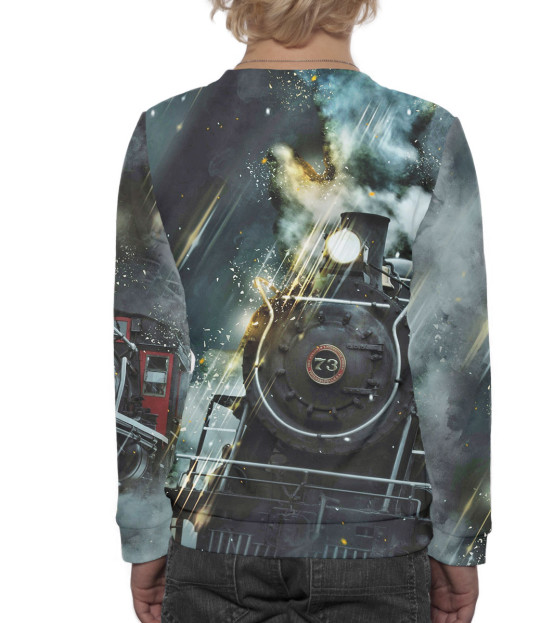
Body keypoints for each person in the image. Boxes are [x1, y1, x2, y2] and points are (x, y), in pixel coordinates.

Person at [113, 1, 492, 622]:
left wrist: (144, 529)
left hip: (209, 540)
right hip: (382, 545)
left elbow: (140, 342)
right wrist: (459, 539)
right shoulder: (429, 133)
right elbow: (456, 361)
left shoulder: (163, 128)